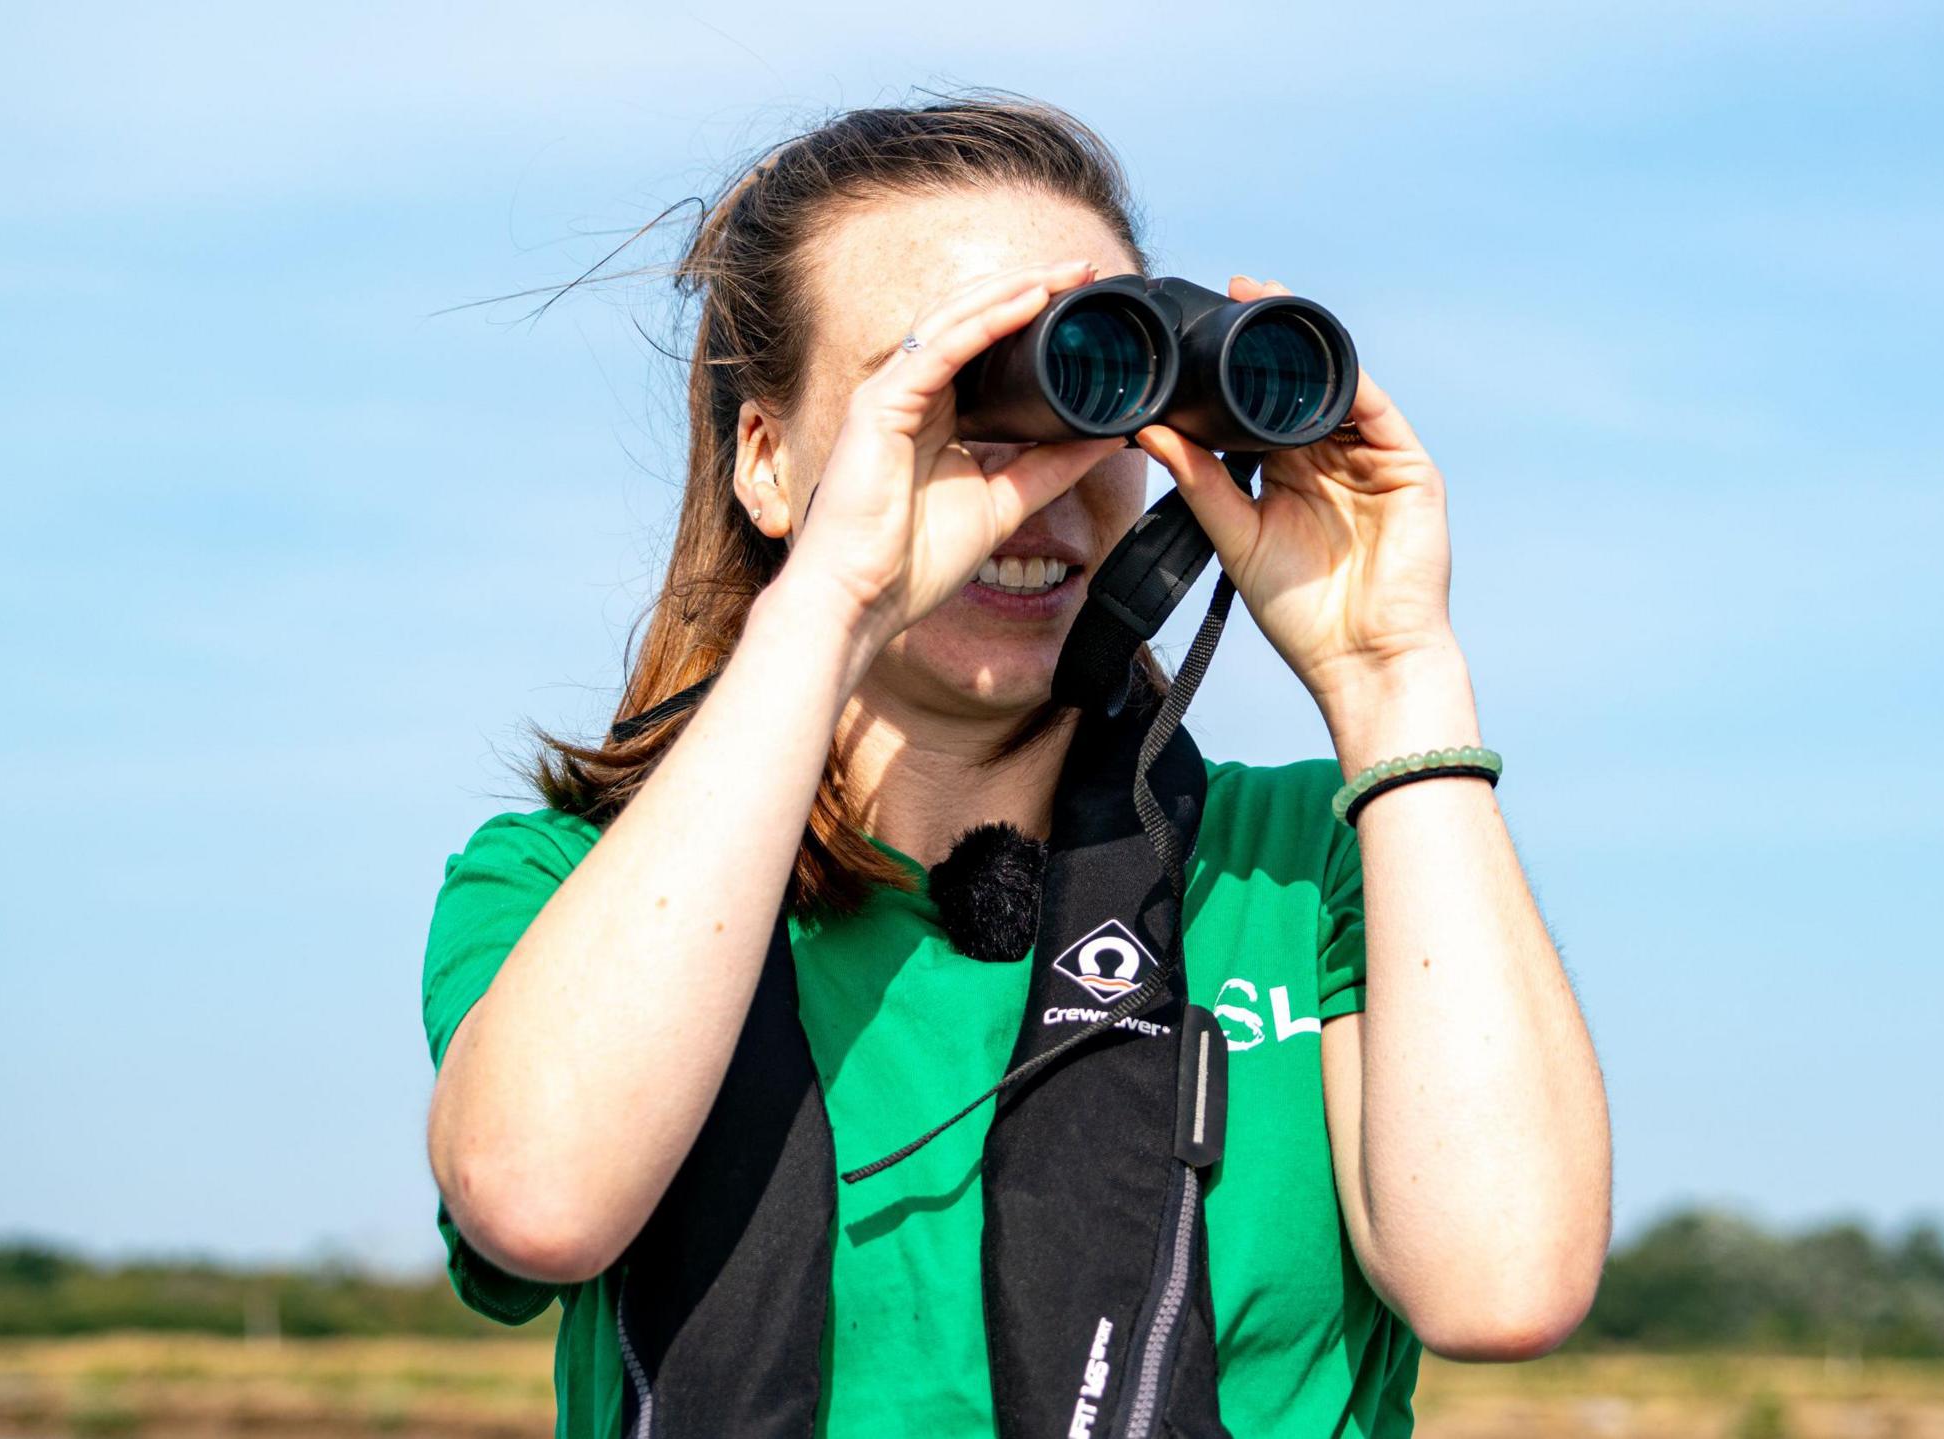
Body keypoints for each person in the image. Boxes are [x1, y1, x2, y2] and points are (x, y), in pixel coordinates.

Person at [419, 94, 1611, 1439]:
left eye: (1083, 377)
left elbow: (1503, 1280)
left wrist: (1394, 675)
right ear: (765, 459)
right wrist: (831, 598)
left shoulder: (1309, 864)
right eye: (947, 390)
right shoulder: (568, 887)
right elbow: (538, 1198)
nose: (1029, 476)